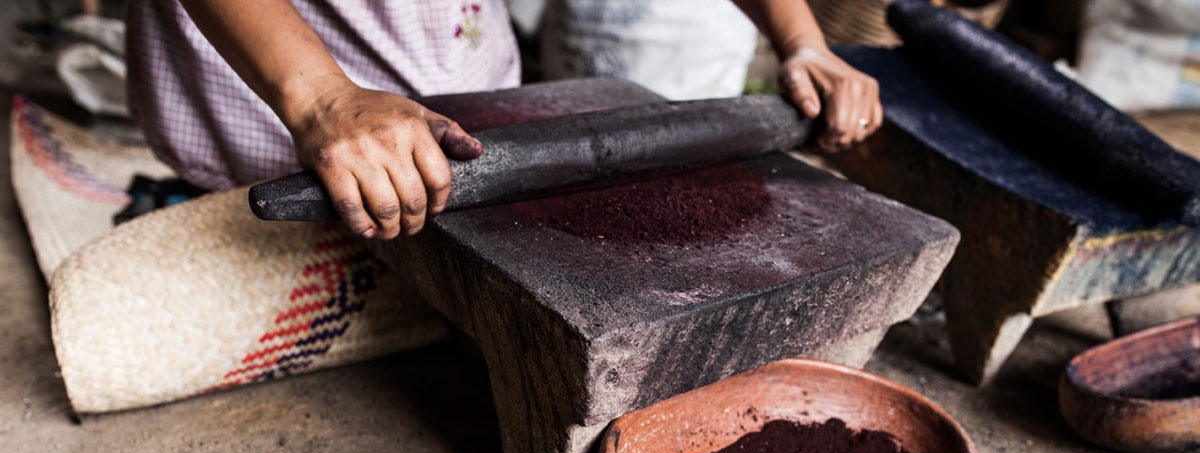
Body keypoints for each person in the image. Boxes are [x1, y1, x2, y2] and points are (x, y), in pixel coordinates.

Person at [126, 0, 881, 241]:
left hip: (451, 48)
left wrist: (803, 42)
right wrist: (322, 98)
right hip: (271, 72)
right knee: (261, 230)